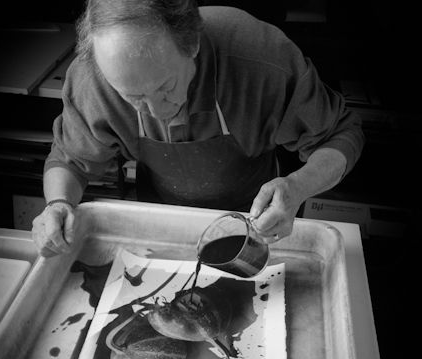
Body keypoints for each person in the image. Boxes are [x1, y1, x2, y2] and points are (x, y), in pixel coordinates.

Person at [32, 0, 364, 257]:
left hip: (262, 228)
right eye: (132, 97)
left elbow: (341, 133)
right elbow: (70, 159)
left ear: (192, 45)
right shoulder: (93, 79)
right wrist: (57, 204)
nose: (157, 111)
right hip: (158, 225)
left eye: (165, 87)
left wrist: (298, 186)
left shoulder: (259, 57)